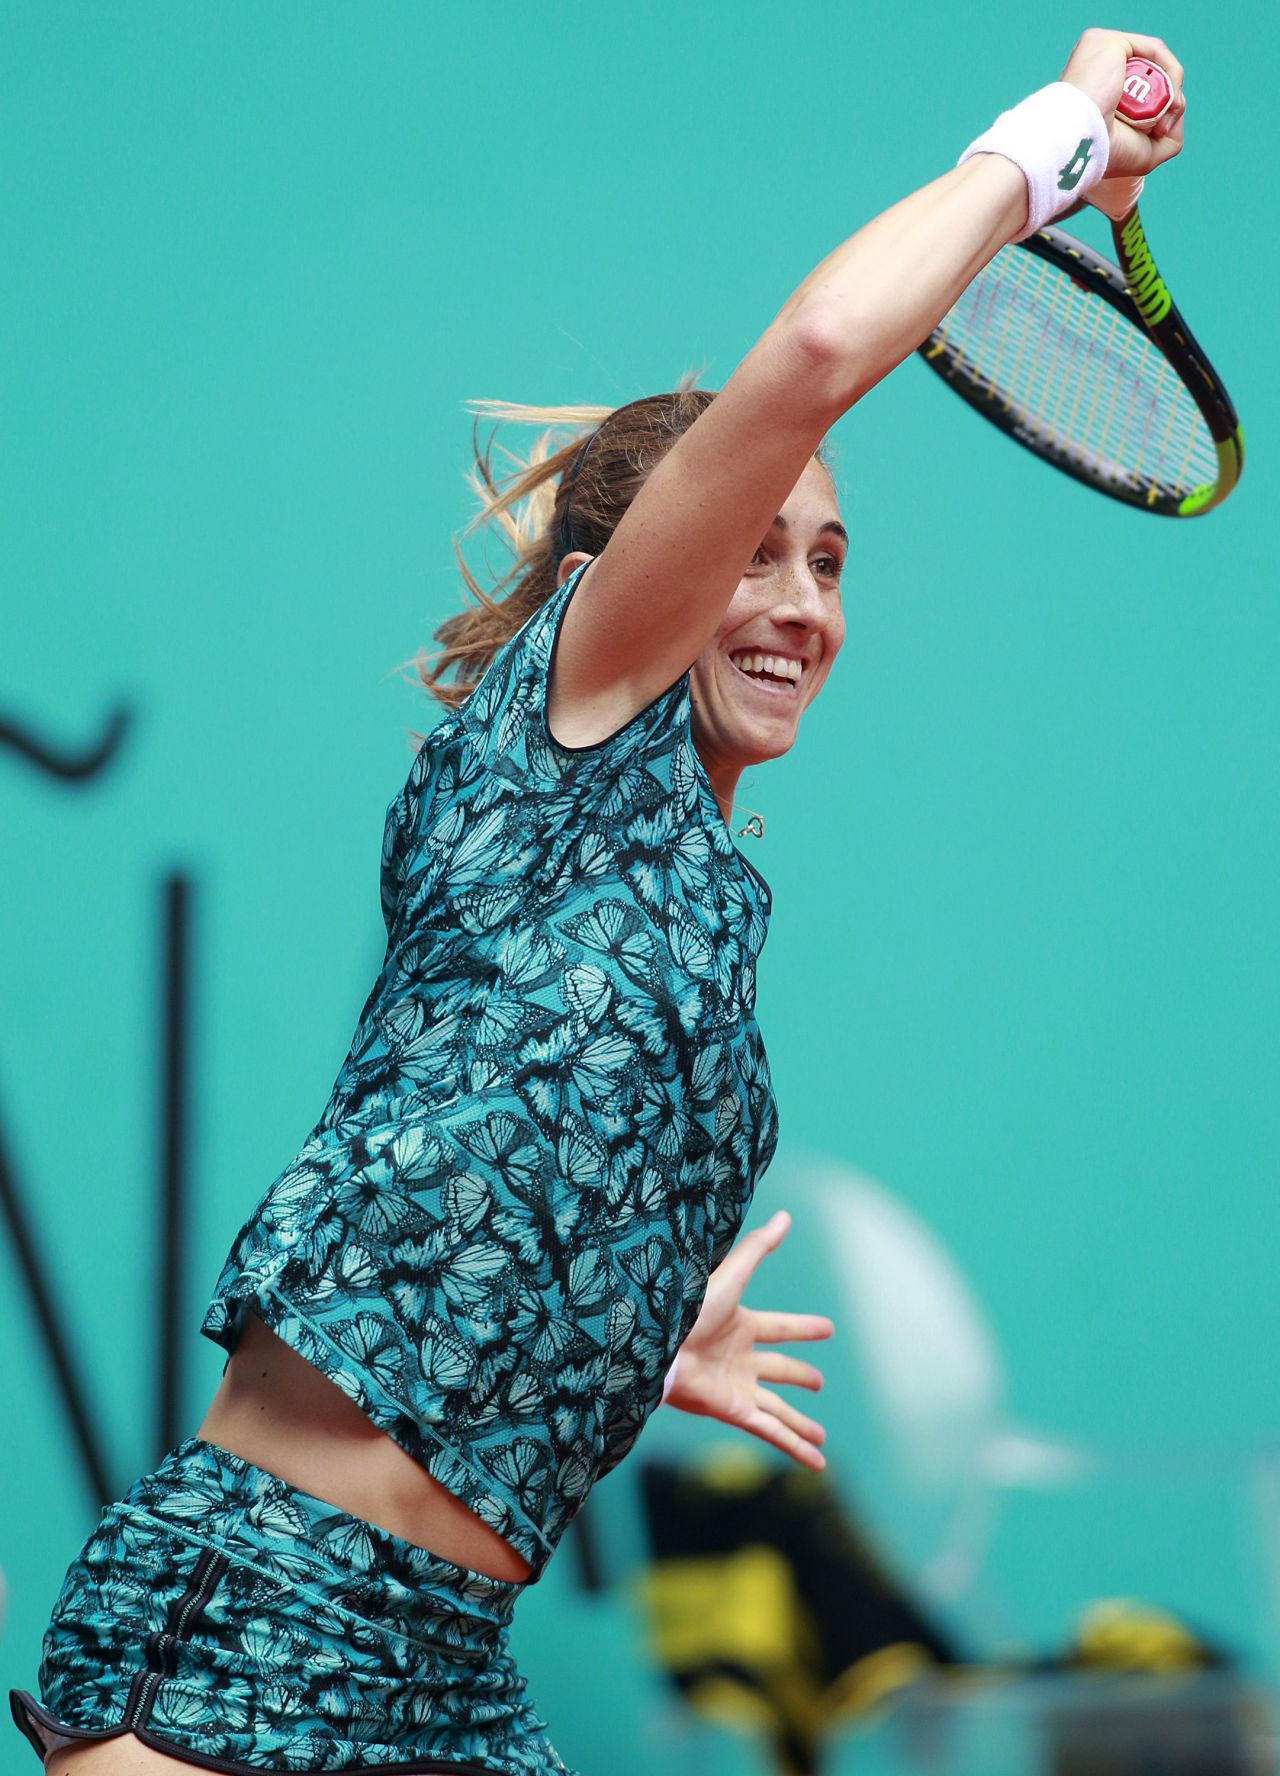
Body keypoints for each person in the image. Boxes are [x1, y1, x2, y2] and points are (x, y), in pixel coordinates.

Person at [12, 25, 1185, 1775]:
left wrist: (631, 1343)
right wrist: (1050, 145)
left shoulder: (707, 911)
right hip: (252, 1609)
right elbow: (812, 353)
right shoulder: (569, 727)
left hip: (449, 1666)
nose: (799, 603)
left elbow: (489, 1227)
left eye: (834, 562)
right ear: (623, 586)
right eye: (756, 550)